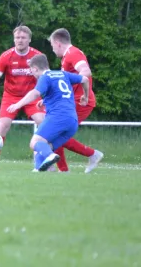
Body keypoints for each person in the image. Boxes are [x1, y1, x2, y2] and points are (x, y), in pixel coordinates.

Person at [7, 54, 90, 172]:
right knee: (47, 145)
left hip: (58, 117)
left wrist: (17, 105)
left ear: (35, 68)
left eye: (32, 70)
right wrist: (85, 97)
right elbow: (85, 79)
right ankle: (37, 170)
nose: (32, 74)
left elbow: (35, 93)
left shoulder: (45, 77)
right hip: (72, 121)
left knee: (35, 142)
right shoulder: (63, 74)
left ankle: (50, 156)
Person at [0, 26, 45, 169]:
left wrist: (45, 98)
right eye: (17, 38)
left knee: (44, 122)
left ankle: (44, 160)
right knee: (3, 126)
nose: (20, 40)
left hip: (32, 96)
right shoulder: (6, 56)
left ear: (29, 39)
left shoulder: (37, 57)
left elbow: (46, 79)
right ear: (13, 39)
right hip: (11, 96)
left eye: (23, 38)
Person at [49, 28, 104, 173]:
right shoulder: (67, 57)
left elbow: (86, 72)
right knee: (55, 133)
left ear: (58, 43)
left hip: (81, 103)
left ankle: (92, 154)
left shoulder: (73, 53)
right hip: (72, 102)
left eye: (52, 46)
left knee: (56, 133)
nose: (53, 50)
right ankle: (64, 170)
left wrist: (85, 95)